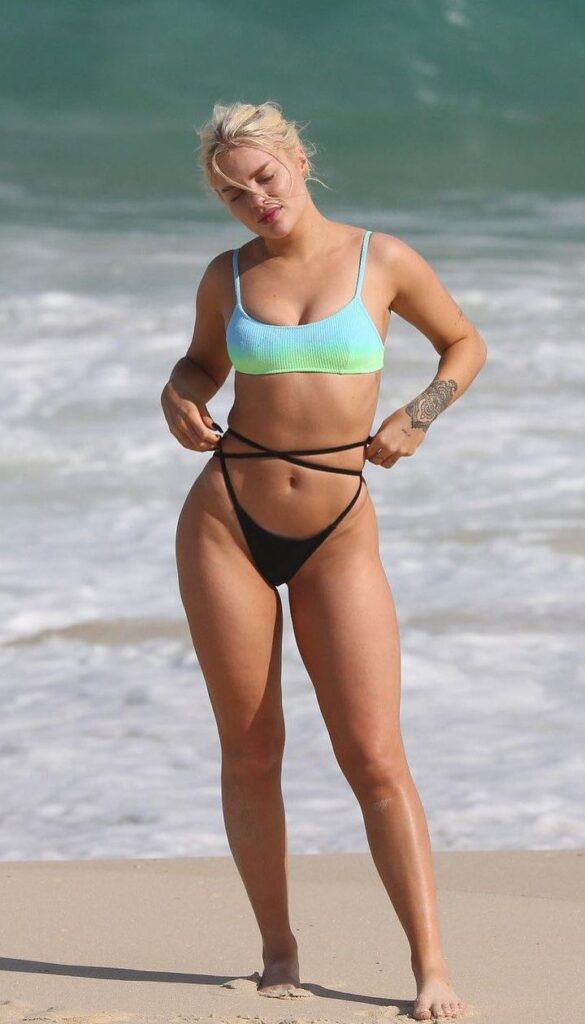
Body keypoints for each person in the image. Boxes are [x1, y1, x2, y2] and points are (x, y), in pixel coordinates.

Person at [161, 100, 486, 1021]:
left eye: (264, 177)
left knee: (374, 756)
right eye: (234, 194)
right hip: (226, 518)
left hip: (338, 525)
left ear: (299, 160)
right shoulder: (227, 275)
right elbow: (199, 366)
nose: (255, 200)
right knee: (250, 748)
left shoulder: (381, 258)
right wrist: (175, 395)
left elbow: (464, 343)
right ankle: (277, 947)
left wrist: (418, 416)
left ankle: (430, 967)